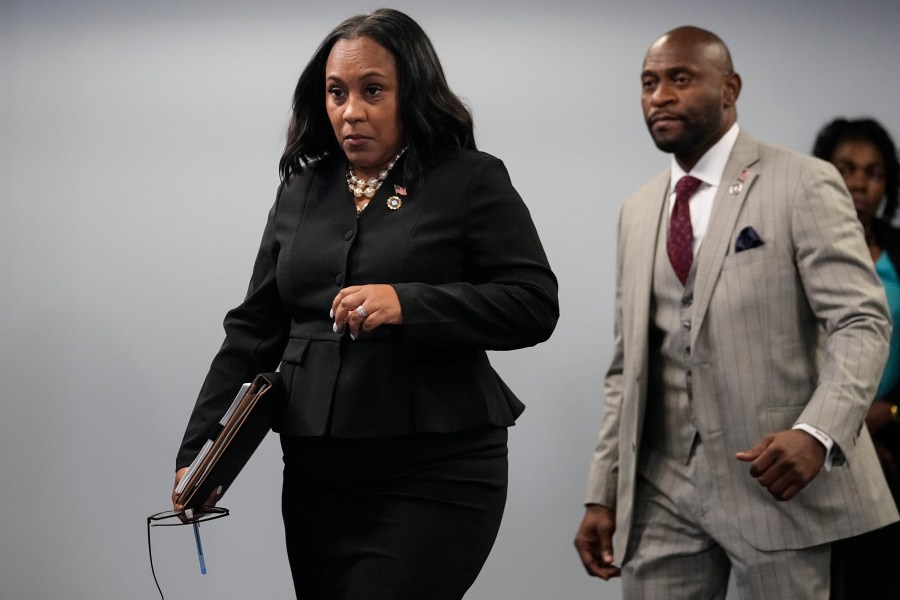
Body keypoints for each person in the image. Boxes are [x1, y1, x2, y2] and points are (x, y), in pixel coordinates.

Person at [171, 9, 559, 599]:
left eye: (372, 91)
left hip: (435, 469)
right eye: (336, 93)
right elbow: (254, 329)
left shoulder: (471, 179)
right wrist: (200, 453)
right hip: (317, 476)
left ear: (414, 93)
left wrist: (409, 303)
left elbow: (533, 304)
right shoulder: (302, 190)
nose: (350, 110)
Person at [573, 26, 898, 599]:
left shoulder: (803, 182)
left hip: (774, 483)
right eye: (649, 83)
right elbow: (628, 367)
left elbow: (861, 321)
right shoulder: (638, 210)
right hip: (662, 490)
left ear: (729, 89)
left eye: (680, 78)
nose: (660, 96)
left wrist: (817, 433)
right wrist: (604, 489)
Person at [813, 117, 900, 599]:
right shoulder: (793, 245)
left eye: (873, 172)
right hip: (814, 439)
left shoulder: (897, 254)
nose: (859, 183)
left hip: (892, 439)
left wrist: (889, 412)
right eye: (845, 168)